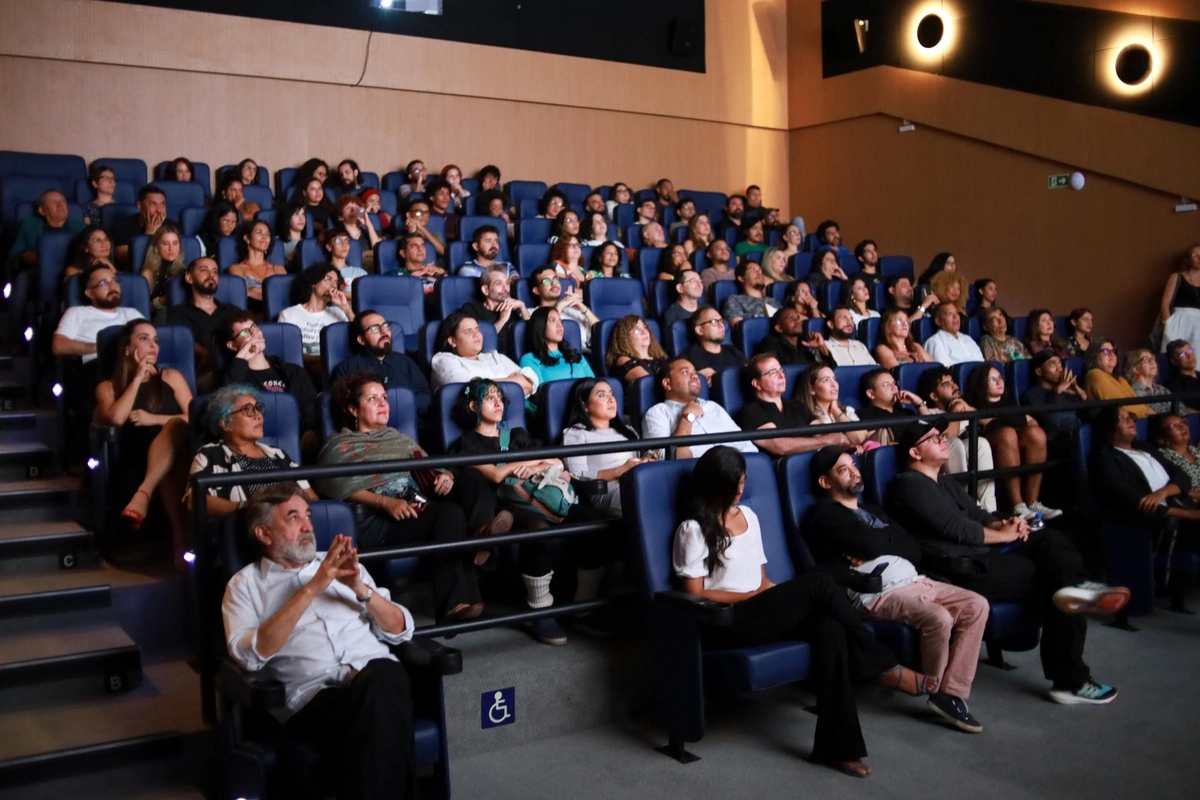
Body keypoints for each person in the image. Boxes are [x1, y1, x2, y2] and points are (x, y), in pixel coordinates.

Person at [673, 446, 934, 778]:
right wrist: (749, 595)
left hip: (760, 609)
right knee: (819, 583)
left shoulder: (749, 517)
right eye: (733, 484)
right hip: (725, 620)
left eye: (743, 482)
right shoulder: (693, 530)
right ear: (714, 485)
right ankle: (881, 664)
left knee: (829, 628)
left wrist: (770, 594)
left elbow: (763, 578)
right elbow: (694, 593)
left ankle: (838, 749)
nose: (740, 490)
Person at [886, 417, 1130, 705]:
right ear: (915, 453)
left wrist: (1005, 523)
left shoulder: (942, 480)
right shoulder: (909, 484)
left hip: (981, 554)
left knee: (1050, 539)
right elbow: (957, 529)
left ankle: (1076, 587)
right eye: (933, 438)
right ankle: (1070, 680)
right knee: (1054, 585)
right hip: (960, 569)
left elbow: (977, 516)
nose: (942, 439)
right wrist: (1002, 536)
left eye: (941, 435)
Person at [221, 483, 419, 799]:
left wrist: (360, 588)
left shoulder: (345, 566)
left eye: (308, 515)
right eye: (293, 517)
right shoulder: (244, 586)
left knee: (382, 679)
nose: (308, 525)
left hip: (377, 680)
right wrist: (312, 587)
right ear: (264, 534)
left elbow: (401, 630)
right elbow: (249, 656)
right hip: (314, 700)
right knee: (384, 697)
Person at [809, 446, 989, 733]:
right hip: (879, 593)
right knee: (938, 617)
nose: (854, 471)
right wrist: (885, 540)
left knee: (976, 604)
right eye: (842, 469)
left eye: (853, 465)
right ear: (825, 482)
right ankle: (931, 685)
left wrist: (879, 541)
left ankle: (949, 693)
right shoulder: (825, 515)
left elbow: (912, 548)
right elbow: (874, 545)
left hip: (916, 580)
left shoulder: (872, 510)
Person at [316, 372, 497, 623]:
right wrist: (386, 502)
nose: (382, 403)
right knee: (450, 514)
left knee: (471, 477)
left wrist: (446, 477)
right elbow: (334, 485)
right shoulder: (340, 444)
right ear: (353, 409)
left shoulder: (397, 437)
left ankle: (480, 535)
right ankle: (452, 606)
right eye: (372, 398)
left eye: (384, 397)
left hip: (417, 505)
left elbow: (429, 464)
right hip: (378, 519)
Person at [449, 378, 590, 645]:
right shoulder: (466, 444)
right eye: (490, 398)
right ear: (472, 405)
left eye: (500, 398)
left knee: (594, 522)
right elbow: (495, 475)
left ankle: (584, 606)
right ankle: (541, 609)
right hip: (505, 505)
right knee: (538, 529)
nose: (498, 403)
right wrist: (524, 464)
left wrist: (532, 467)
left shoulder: (517, 435)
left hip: (539, 496)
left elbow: (556, 461)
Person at [94, 320, 191, 565]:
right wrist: (137, 379)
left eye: (156, 340)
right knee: (171, 463)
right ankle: (181, 540)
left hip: (179, 445)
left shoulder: (171, 376)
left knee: (176, 427)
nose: (153, 345)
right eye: (144, 338)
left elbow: (194, 416)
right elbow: (116, 418)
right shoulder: (108, 387)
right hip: (137, 453)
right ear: (127, 348)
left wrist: (153, 419)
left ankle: (144, 495)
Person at [1090, 407, 1197, 608]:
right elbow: (1130, 500)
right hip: (1163, 525)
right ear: (1109, 431)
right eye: (1122, 419)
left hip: (1177, 507)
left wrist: (1163, 493)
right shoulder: (1107, 458)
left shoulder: (1146, 447)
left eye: (1130, 417)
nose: (1131, 421)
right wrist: (1188, 514)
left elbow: (1182, 476)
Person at [186, 384, 316, 516]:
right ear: (226, 424)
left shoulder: (278, 454)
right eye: (248, 410)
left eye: (258, 409)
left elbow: (312, 498)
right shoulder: (210, 455)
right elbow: (194, 500)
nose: (259, 416)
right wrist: (247, 509)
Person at [962, 364, 1061, 520]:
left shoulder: (1009, 402)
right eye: (992, 379)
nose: (999, 381)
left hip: (1014, 446)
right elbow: (983, 419)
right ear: (981, 383)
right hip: (990, 445)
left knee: (1037, 434)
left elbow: (1031, 421)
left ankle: (1032, 503)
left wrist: (1024, 427)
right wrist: (1015, 420)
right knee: (1008, 434)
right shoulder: (974, 403)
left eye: (1000, 377)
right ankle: (1017, 506)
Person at [217, 312, 320, 455]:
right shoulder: (235, 376)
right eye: (246, 332)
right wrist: (240, 359)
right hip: (253, 449)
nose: (254, 334)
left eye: (254, 327)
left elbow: (310, 407)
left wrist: (310, 432)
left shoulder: (293, 372)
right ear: (232, 345)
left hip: (299, 443)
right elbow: (227, 404)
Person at [561, 377, 652, 518]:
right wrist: (619, 471)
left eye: (611, 394)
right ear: (585, 405)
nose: (611, 399)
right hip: (605, 491)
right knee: (646, 501)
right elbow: (576, 474)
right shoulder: (576, 433)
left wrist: (646, 462)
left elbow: (635, 462)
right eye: (601, 395)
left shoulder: (628, 431)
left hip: (636, 482)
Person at [915, 367, 998, 513]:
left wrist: (965, 407)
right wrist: (955, 411)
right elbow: (950, 435)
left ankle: (990, 509)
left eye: (953, 381)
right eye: (946, 384)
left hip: (965, 451)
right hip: (942, 461)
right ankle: (968, 506)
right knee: (954, 443)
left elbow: (990, 421)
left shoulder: (962, 405)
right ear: (934, 396)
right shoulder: (930, 414)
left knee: (981, 443)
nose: (954, 386)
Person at [735, 355, 851, 455]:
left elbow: (821, 432)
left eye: (781, 370)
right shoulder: (751, 411)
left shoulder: (797, 405)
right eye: (773, 372)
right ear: (756, 383)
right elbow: (780, 446)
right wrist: (828, 440)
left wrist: (844, 442)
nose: (781, 375)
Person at [643, 358, 758, 459]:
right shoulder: (657, 413)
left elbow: (747, 447)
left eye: (695, 372)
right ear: (667, 383)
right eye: (685, 372)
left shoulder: (713, 406)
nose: (695, 376)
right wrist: (688, 417)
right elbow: (665, 460)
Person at [330, 311, 432, 422]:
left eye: (386, 326)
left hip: (408, 426)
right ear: (362, 340)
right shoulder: (348, 367)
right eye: (375, 329)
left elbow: (425, 396)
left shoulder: (405, 361)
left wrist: (399, 406)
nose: (384, 332)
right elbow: (342, 407)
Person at [52, 264, 144, 367]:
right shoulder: (77, 312)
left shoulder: (133, 313)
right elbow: (58, 346)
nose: (112, 286)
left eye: (114, 280)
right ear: (90, 293)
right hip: (98, 365)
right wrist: (101, 347)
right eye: (103, 283)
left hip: (134, 363)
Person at [166, 257, 237, 387]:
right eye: (204, 270)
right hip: (201, 375)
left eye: (215, 271)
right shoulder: (178, 313)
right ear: (189, 278)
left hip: (235, 368)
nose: (211, 275)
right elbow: (180, 343)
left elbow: (246, 333)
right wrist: (208, 354)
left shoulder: (232, 311)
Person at [430, 312, 537, 397]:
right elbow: (468, 389)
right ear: (452, 340)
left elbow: (530, 383)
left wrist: (485, 385)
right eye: (468, 331)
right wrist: (513, 382)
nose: (476, 335)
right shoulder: (444, 360)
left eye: (477, 330)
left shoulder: (495, 357)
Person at [278, 264, 354, 361]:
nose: (333, 285)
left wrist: (346, 307)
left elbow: (360, 335)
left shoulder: (339, 312)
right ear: (313, 282)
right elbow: (290, 352)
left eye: (336, 282)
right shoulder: (289, 314)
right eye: (328, 279)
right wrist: (324, 360)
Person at [518, 307, 594, 391]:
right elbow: (542, 394)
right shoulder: (529, 359)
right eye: (552, 320)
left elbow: (593, 386)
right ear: (540, 326)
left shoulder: (576, 355)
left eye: (560, 321)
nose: (559, 325)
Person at [6, 189, 83, 271]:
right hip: (39, 271)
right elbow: (15, 256)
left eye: (63, 201)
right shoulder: (29, 226)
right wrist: (32, 257)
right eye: (54, 202)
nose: (60, 205)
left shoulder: (81, 228)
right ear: (42, 210)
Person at [857, 367, 936, 445]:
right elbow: (877, 442)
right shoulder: (865, 415)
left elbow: (933, 430)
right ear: (871, 394)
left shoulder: (906, 412)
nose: (894, 387)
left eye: (894, 383)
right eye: (886, 384)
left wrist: (919, 402)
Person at [796, 363, 870, 447]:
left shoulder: (847, 410)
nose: (834, 385)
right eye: (826, 380)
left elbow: (861, 438)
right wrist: (852, 445)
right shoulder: (808, 417)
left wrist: (836, 412)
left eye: (834, 379)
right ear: (812, 389)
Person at [528, 265, 600, 351]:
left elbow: (600, 332)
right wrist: (559, 307)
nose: (554, 283)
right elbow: (544, 340)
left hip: (588, 356)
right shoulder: (532, 313)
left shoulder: (572, 310)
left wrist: (584, 309)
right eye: (547, 281)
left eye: (555, 279)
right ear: (536, 290)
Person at [1021, 350, 1086, 443]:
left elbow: (1088, 414)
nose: (1059, 369)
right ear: (1039, 371)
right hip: (1057, 442)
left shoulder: (1066, 390)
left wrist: (1078, 390)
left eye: (1060, 364)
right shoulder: (1032, 394)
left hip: (1078, 436)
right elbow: (1050, 420)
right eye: (1052, 365)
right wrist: (1057, 392)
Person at [227, 220, 287, 316]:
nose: (264, 237)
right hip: (251, 314)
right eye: (259, 233)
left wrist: (253, 290)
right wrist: (272, 294)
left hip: (279, 313)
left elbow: (285, 294)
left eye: (267, 234)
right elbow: (242, 294)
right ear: (247, 238)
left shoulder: (278, 269)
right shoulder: (237, 268)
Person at [1083, 337, 1152, 418]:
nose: (1112, 354)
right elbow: (1119, 404)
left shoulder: (1120, 378)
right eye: (1105, 351)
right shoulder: (1094, 374)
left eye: (1113, 351)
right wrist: (1147, 411)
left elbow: (1136, 401)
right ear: (1094, 356)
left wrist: (1147, 411)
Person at [459, 264, 528, 340]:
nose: (505, 288)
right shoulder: (471, 309)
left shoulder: (515, 307)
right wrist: (502, 320)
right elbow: (478, 341)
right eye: (498, 283)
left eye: (507, 283)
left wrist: (522, 307)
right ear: (486, 290)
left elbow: (535, 336)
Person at [683, 307, 745, 383]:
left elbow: (750, 374)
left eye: (721, 321)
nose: (721, 325)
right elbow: (718, 382)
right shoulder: (693, 354)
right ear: (700, 330)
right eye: (714, 321)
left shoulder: (732, 350)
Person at [112, 185, 167, 268]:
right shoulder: (122, 225)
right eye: (153, 204)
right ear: (139, 205)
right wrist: (148, 235)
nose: (159, 210)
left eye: (162, 204)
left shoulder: (173, 226)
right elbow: (123, 259)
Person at [605, 315, 667, 385]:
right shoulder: (623, 360)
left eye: (644, 327)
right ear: (625, 338)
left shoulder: (660, 358)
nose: (644, 332)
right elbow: (649, 383)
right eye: (637, 330)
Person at [139, 221, 186, 313]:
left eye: (175, 243)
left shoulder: (186, 271)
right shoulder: (148, 272)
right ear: (157, 247)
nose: (171, 248)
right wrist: (163, 300)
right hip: (160, 315)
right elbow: (143, 308)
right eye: (165, 243)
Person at [1160, 243, 1200, 353]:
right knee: (1175, 355)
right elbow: (1165, 302)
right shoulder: (1177, 277)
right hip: (1179, 322)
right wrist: (1168, 324)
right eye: (1195, 255)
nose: (1199, 258)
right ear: (1188, 259)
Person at [755, 306, 822, 366]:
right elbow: (773, 369)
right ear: (779, 328)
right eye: (791, 318)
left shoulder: (805, 347)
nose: (797, 321)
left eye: (798, 318)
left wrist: (821, 347)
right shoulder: (770, 343)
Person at [721, 261, 781, 326]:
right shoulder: (734, 300)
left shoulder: (772, 301)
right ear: (741, 278)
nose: (759, 273)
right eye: (753, 270)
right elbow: (739, 328)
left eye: (760, 270)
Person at [1153, 412, 1200, 490]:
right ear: (1163, 439)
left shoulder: (1194, 450)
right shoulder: (1165, 459)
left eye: (1182, 422)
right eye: (1174, 426)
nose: (1182, 427)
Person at [333, 195, 381, 271]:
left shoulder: (369, 231)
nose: (353, 209)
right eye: (348, 208)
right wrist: (368, 253)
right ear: (341, 217)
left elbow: (380, 251)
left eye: (356, 207)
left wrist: (368, 225)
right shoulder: (339, 235)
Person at [1125, 348, 1173, 414]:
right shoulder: (1133, 392)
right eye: (1146, 360)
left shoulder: (1162, 389)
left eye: (1153, 359)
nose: (1152, 362)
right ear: (1135, 369)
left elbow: (1181, 410)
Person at [277, 201, 309, 268]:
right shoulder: (277, 242)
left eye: (303, 214)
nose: (301, 218)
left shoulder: (309, 243)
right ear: (287, 218)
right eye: (296, 214)